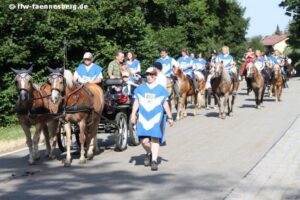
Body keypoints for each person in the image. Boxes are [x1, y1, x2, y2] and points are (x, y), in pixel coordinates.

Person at [130, 67, 174, 171]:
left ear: (155, 76)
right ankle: (149, 153)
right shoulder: (140, 88)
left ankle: (154, 160)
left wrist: (170, 116)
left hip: (156, 117)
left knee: (155, 138)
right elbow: (136, 102)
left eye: (152, 75)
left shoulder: (161, 89)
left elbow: (165, 103)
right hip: (143, 117)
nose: (149, 76)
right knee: (144, 141)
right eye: (148, 74)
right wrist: (133, 115)